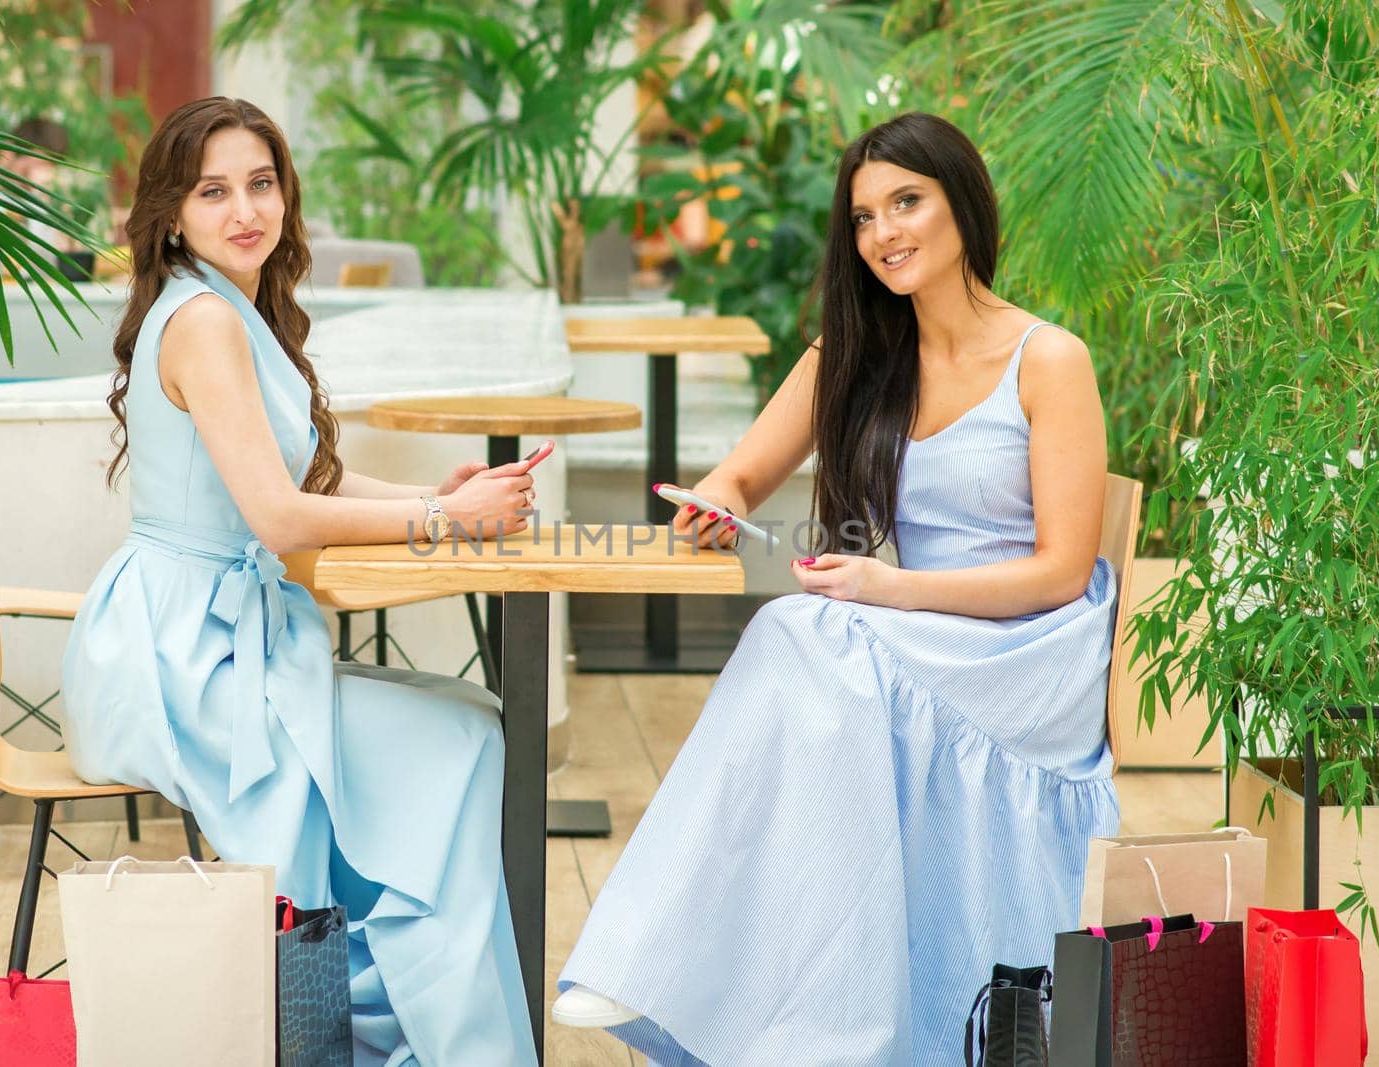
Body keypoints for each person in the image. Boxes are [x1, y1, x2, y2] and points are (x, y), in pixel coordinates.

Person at [553, 112, 1122, 1064]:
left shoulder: (1047, 358)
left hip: (1024, 645)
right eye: (863, 217)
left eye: (907, 202)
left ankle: (659, 956)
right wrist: (715, 503)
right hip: (915, 634)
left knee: (800, 631)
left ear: (962, 206)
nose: (885, 233)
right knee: (802, 645)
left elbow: (1062, 572)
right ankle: (709, 976)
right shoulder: (853, 354)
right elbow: (739, 476)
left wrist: (887, 591)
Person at [60, 96, 537, 1066]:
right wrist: (450, 520)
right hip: (184, 656)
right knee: (462, 732)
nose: (246, 209)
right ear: (172, 212)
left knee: (467, 720)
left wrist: (432, 492)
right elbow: (281, 520)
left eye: (262, 183)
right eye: (214, 190)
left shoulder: (227, 305)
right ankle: (413, 1025)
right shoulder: (201, 320)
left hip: (217, 632)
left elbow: (303, 481)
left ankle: (384, 1007)